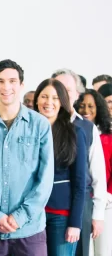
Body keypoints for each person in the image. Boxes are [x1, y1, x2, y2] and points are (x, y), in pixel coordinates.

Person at [0, 59, 54, 256]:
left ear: (21, 85)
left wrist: (19, 217)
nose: (6, 87)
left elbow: (44, 180)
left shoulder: (40, 125)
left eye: (12, 81)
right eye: (0, 81)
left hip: (30, 230)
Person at [52, 69, 107, 256]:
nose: (61, 95)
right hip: (50, 206)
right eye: (57, 89)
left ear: (76, 95)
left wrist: (98, 215)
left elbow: (98, 173)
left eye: (67, 90)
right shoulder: (40, 123)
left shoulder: (86, 127)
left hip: (81, 205)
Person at [34, 79, 87, 256]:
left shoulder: (75, 133)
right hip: (31, 214)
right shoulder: (28, 130)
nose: (49, 102)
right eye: (44, 96)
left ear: (62, 102)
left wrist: (75, 223)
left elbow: (80, 183)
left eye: (55, 98)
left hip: (61, 216)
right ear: (36, 100)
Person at [75, 89, 112, 256]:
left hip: (107, 202)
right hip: (86, 200)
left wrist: (107, 195)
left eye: (91, 106)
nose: (86, 110)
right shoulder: (77, 131)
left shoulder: (108, 136)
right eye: (82, 106)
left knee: (103, 249)